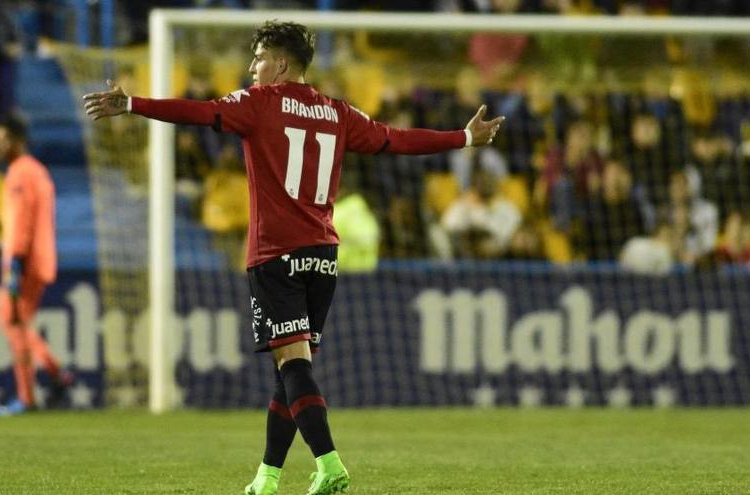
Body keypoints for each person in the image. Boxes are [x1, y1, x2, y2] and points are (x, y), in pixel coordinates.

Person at [83, 20, 503, 495]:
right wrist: (462, 139)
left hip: (275, 253)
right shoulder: (336, 112)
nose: (251, 67)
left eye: (258, 58)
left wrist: (134, 104)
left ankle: (328, 463)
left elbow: (198, 113)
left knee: (293, 367)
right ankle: (267, 477)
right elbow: (393, 140)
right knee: (290, 370)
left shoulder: (259, 103)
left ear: (281, 63)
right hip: (323, 255)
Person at [0, 114, 73, 416]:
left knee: (13, 322)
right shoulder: (38, 171)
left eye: (3, 141)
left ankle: (29, 395)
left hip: (24, 261)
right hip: (35, 258)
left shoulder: (19, 173)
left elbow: (21, 223)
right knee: (18, 323)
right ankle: (53, 376)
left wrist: (12, 261)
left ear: (17, 141)